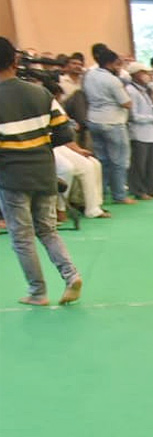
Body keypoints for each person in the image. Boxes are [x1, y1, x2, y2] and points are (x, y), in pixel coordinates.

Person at [0, 37, 83, 306]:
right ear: (15, 61)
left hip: (12, 176)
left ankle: (38, 292)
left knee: (22, 237)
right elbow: (64, 131)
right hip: (44, 172)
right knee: (47, 231)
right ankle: (71, 276)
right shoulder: (41, 93)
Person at [83, 47, 133, 205]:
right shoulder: (112, 80)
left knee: (102, 161)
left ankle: (101, 194)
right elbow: (126, 103)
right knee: (119, 161)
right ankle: (119, 195)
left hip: (94, 120)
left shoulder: (89, 75)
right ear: (111, 63)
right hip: (113, 122)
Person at [124, 62, 153, 200]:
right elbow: (133, 116)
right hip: (139, 133)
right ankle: (138, 190)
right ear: (135, 74)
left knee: (152, 163)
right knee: (139, 165)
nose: (148, 76)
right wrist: (152, 118)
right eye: (144, 73)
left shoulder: (145, 90)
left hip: (151, 132)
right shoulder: (131, 90)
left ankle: (150, 188)